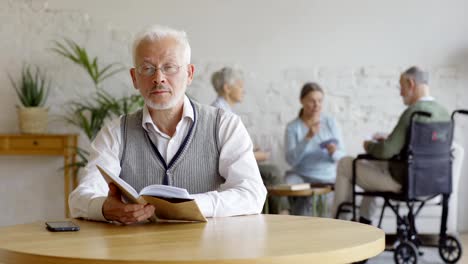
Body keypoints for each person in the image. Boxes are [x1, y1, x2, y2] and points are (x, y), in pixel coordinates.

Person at [69, 25, 267, 224]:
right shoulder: (116, 132)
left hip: (207, 250)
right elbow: (80, 198)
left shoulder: (223, 125)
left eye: (169, 67)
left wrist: (188, 205)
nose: (158, 78)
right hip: (137, 252)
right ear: (134, 78)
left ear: (189, 74)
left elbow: (252, 194)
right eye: (147, 68)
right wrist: (104, 208)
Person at [331, 66, 450, 224]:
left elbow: (386, 151)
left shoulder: (413, 113)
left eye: (401, 87)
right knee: (372, 168)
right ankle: (364, 221)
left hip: (404, 182)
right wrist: (394, 139)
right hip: (433, 183)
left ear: (411, 83)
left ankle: (339, 224)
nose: (400, 92)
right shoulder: (444, 113)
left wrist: (369, 145)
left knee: (345, 164)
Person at [210, 66, 280, 213]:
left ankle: (277, 214)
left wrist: (252, 150)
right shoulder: (221, 113)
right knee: (273, 172)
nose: (244, 91)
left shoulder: (224, 110)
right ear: (227, 88)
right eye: (240, 86)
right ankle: (282, 214)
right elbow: (223, 155)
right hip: (222, 168)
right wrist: (258, 155)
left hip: (229, 162)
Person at [284, 82, 345, 215]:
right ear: (302, 101)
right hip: (302, 176)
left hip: (327, 177)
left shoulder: (330, 123)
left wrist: (334, 152)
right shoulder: (293, 127)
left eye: (320, 101)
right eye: (312, 101)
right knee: (285, 183)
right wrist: (307, 138)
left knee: (313, 208)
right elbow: (290, 160)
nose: (317, 105)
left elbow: (342, 157)